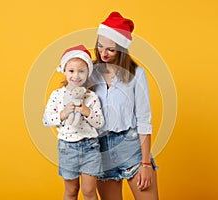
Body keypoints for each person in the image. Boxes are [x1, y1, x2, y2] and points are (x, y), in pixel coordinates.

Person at [89, 12, 159, 200]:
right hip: (101, 148)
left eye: (110, 50)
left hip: (131, 146)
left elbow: (144, 119)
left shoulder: (137, 74)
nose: (103, 53)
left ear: (121, 49)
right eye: (100, 46)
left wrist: (145, 163)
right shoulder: (89, 72)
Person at [43, 44, 105, 200]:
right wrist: (63, 114)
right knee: (71, 191)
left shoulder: (91, 97)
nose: (76, 76)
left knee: (89, 191)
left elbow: (99, 123)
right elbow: (46, 120)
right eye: (71, 71)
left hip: (90, 147)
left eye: (81, 71)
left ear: (88, 73)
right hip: (67, 148)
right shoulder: (57, 95)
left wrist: (86, 111)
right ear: (64, 71)